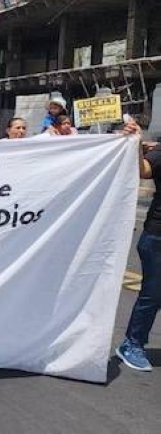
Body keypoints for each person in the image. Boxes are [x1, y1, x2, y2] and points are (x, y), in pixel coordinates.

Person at [116, 117, 161, 372]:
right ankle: (131, 344)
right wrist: (136, 141)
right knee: (153, 294)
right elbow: (144, 170)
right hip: (157, 237)